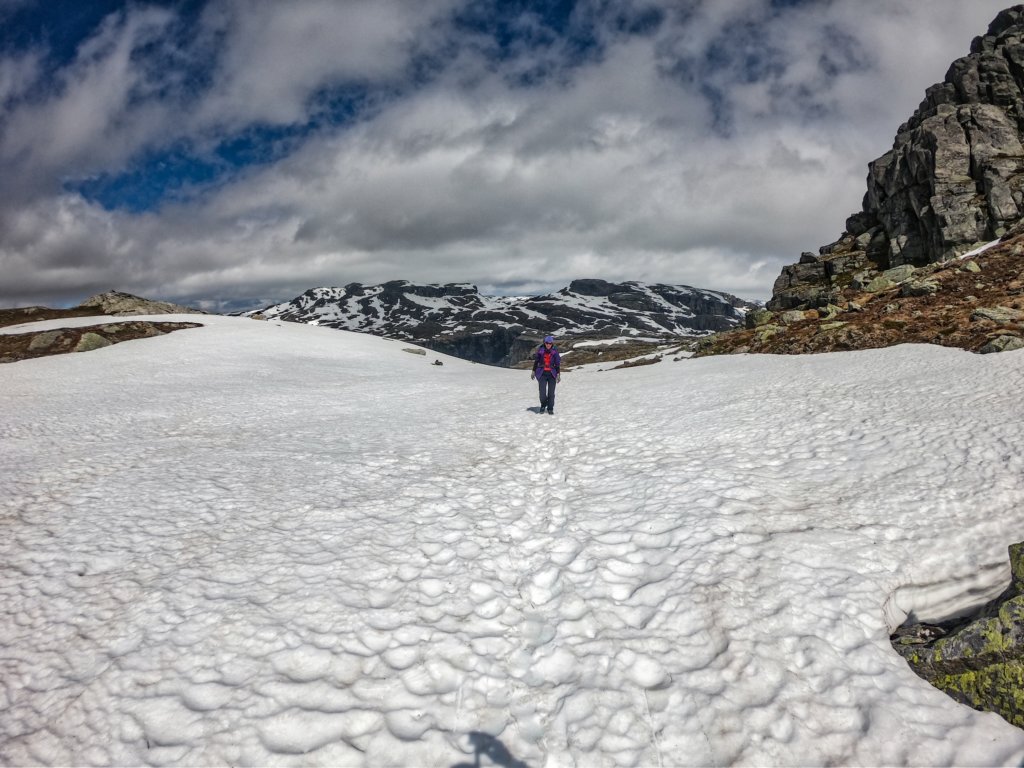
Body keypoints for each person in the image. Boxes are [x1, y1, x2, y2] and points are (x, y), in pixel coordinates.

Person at [530, 335, 561, 414]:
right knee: (542, 392)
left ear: (552, 344)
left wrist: (558, 374)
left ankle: (550, 408)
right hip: (542, 373)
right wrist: (533, 371)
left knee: (551, 392)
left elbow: (557, 364)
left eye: (550, 343)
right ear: (544, 343)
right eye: (547, 343)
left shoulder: (555, 352)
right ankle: (543, 405)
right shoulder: (540, 350)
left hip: (552, 374)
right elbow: (536, 361)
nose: (548, 345)